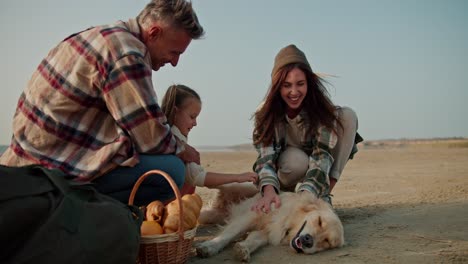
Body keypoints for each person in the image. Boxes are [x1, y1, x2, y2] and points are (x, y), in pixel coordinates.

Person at [0, 0, 205, 206]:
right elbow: (151, 138)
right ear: (153, 33)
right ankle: (75, 209)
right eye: (174, 52)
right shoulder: (128, 54)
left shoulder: (100, 36)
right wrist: (184, 150)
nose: (175, 62)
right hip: (53, 169)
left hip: (27, 156)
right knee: (172, 170)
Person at [251, 44, 363, 214]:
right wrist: (268, 191)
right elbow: (265, 158)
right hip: (289, 165)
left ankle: (322, 194)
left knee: (347, 115)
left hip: (318, 166)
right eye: (286, 85)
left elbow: (322, 155)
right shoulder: (265, 112)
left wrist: (307, 196)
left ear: (309, 83)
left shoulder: (321, 109)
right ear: (277, 86)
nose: (294, 92)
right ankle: (283, 193)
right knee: (296, 161)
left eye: (300, 84)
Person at [161, 84, 258, 195]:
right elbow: (198, 177)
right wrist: (237, 177)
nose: (195, 123)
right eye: (192, 117)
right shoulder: (174, 137)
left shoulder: (171, 136)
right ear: (175, 112)